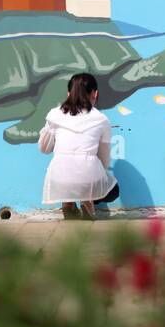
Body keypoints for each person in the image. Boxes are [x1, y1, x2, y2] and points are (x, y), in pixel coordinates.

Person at [39, 73, 118, 219]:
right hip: (88, 175)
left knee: (65, 168)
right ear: (95, 94)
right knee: (112, 189)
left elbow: (44, 149)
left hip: (59, 177)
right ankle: (87, 202)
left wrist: (49, 127)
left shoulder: (54, 114)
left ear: (69, 94)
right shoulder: (101, 120)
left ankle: (67, 203)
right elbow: (104, 159)